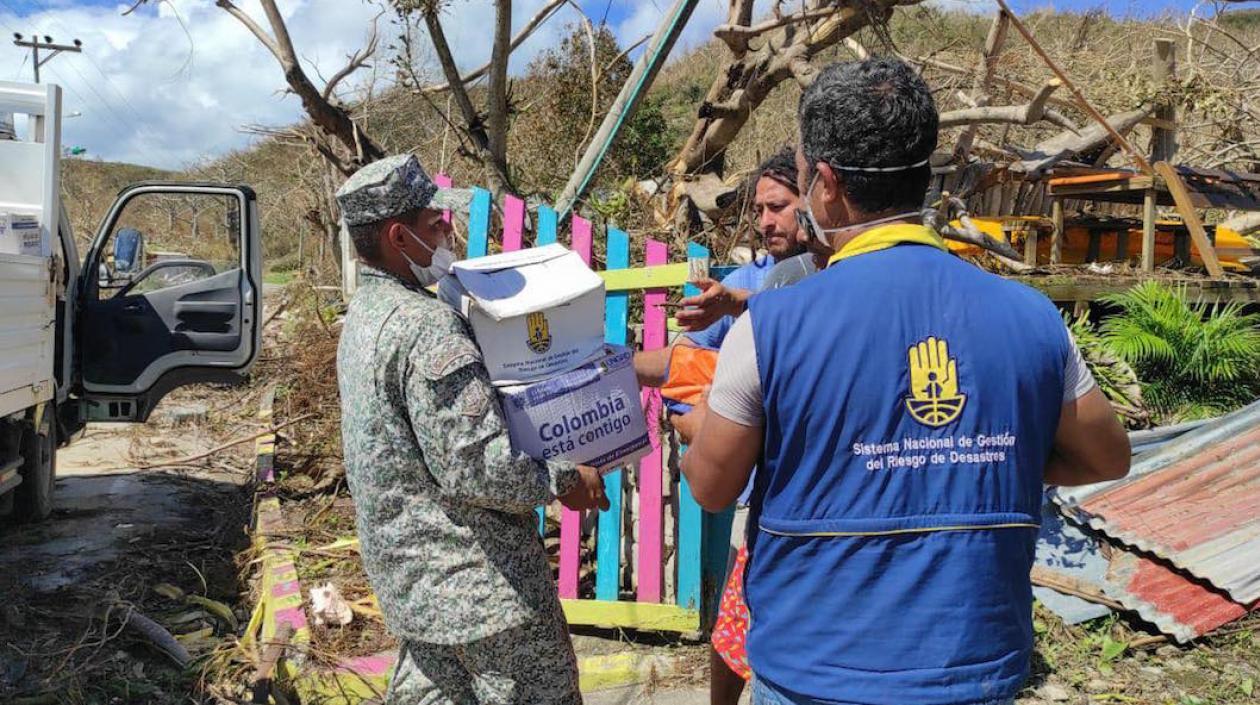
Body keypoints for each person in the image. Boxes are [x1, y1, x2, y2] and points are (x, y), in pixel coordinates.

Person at [679, 58, 1131, 705]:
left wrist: (694, 430)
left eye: (803, 177)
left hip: (816, 673)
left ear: (827, 185)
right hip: (974, 671)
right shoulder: (1033, 317)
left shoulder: (771, 324)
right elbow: (1105, 453)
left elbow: (713, 486)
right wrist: (987, 455)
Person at [334, 154, 609, 705]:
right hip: (485, 596)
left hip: (415, 593)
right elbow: (480, 467)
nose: (447, 226)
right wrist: (565, 477)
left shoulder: (362, 319)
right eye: (433, 220)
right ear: (398, 236)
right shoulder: (425, 327)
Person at [635, 148, 806, 705]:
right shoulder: (752, 276)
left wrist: (741, 305)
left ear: (820, 197)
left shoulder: (837, 275)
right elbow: (685, 364)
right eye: (758, 210)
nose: (765, 222)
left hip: (826, 488)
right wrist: (685, 411)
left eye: (778, 207)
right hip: (761, 496)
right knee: (737, 617)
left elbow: (805, 309)